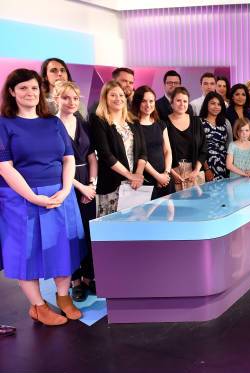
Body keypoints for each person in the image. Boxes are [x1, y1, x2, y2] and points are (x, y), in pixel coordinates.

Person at [0, 68, 84, 325]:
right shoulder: (4, 124)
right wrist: (33, 198)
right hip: (20, 197)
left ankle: (63, 297)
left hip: (60, 193)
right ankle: (37, 306)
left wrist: (66, 189)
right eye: (23, 88)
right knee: (26, 252)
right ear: (12, 92)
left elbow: (68, 158)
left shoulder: (53, 122)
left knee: (63, 247)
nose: (30, 93)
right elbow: (5, 167)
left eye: (34, 87)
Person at [54, 81, 98, 302]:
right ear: (56, 99)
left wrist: (92, 185)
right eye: (66, 98)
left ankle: (90, 277)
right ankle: (76, 281)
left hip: (87, 184)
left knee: (88, 232)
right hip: (65, 184)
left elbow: (92, 157)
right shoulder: (51, 125)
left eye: (74, 98)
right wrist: (80, 187)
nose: (71, 102)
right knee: (70, 234)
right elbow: (58, 165)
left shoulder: (82, 122)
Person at [90, 81, 147, 216]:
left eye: (121, 95)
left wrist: (138, 175)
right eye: (113, 95)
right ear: (105, 98)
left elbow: (143, 152)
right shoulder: (99, 120)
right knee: (111, 230)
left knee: (133, 225)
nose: (118, 98)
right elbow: (106, 155)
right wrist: (129, 176)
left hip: (134, 186)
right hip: (111, 185)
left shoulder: (133, 121)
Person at [131, 86, 174, 199]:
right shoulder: (132, 126)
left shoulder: (160, 124)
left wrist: (166, 173)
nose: (148, 105)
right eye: (144, 101)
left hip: (166, 178)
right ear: (137, 102)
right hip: (146, 180)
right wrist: (157, 177)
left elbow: (167, 150)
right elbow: (140, 155)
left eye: (151, 101)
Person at [166, 87, 208, 190]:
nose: (182, 104)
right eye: (178, 100)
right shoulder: (163, 123)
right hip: (174, 173)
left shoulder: (196, 121)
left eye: (185, 101)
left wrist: (196, 170)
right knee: (177, 205)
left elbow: (204, 149)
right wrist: (172, 172)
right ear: (172, 103)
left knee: (197, 204)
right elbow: (163, 152)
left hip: (195, 172)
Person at [201, 92, 233, 180]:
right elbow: (198, 148)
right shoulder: (199, 122)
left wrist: (230, 166)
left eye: (219, 104)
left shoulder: (226, 122)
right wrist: (206, 169)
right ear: (206, 104)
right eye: (212, 103)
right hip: (206, 164)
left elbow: (230, 145)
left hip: (225, 163)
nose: (216, 107)